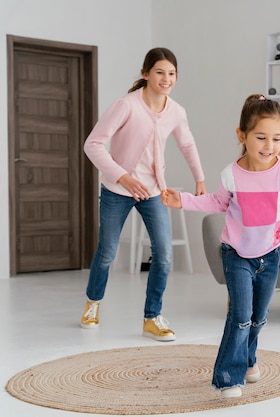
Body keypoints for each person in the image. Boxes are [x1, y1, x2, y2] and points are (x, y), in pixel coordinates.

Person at [160, 94, 280, 397]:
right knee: (240, 315)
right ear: (242, 136)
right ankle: (228, 377)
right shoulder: (231, 174)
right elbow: (217, 202)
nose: (269, 145)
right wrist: (182, 200)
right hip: (236, 255)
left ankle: (248, 359)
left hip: (270, 254)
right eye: (261, 137)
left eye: (276, 138)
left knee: (259, 317)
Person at [81, 47, 207, 342]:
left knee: (163, 253)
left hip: (152, 191)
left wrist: (199, 178)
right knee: (107, 252)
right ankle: (92, 303)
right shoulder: (126, 105)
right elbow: (93, 144)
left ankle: (152, 317)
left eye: (172, 73)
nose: (166, 78)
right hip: (117, 189)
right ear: (146, 74)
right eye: (160, 72)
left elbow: (187, 145)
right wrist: (122, 177)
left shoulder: (176, 111)